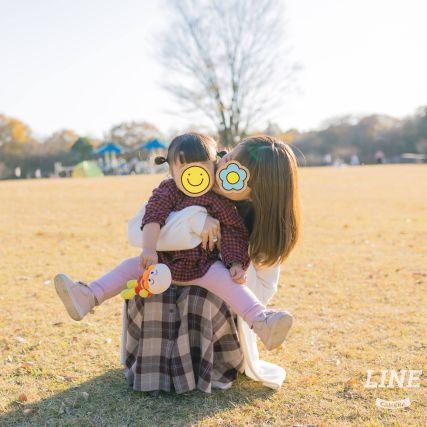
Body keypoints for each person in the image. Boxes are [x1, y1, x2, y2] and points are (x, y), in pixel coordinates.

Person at [55, 133, 293, 351]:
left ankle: (262, 321)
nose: (223, 170)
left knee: (227, 282)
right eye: (226, 158)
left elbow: (233, 235)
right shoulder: (173, 189)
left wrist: (235, 263)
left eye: (236, 174)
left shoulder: (234, 212)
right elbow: (147, 220)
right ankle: (88, 295)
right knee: (129, 267)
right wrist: (193, 223)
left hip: (206, 272)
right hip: (165, 265)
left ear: (256, 191)